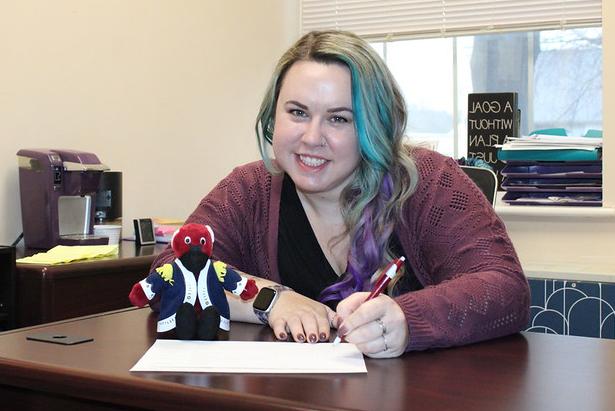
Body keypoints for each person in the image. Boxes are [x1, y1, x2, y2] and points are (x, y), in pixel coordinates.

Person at [150, 30, 530, 358]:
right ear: (272, 116)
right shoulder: (250, 188)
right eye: (297, 112)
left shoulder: (429, 181)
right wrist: (271, 299)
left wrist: (407, 320)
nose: (312, 138)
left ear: (375, 127)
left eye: (339, 118)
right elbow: (168, 273)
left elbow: (505, 289)